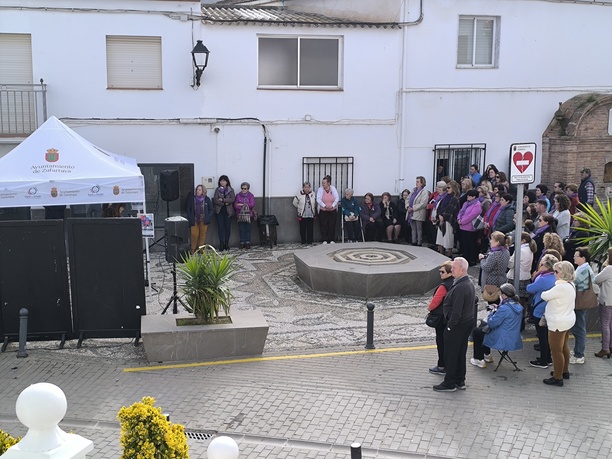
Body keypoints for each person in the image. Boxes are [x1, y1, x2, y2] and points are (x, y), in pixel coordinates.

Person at [433, 257, 475, 392]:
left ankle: (449, 383)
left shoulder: (461, 287)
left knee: (451, 354)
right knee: (460, 353)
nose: (452, 270)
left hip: (457, 326)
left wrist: (450, 327)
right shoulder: (467, 282)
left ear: (462, 269)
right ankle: (459, 380)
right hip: (465, 323)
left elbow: (456, 312)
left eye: (454, 268)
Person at [470, 283, 523, 368]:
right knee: (483, 331)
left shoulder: (504, 308)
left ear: (504, 295)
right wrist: (498, 307)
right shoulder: (517, 305)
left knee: (477, 332)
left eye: (500, 293)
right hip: (513, 337)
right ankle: (487, 355)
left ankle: (479, 359)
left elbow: (491, 324)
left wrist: (492, 312)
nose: (499, 294)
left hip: (502, 339)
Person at [541, 261, 576, 386]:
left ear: (564, 273)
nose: (554, 273)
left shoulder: (560, 287)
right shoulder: (570, 284)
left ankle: (557, 377)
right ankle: (564, 371)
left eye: (557, 271)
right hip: (567, 320)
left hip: (558, 323)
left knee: (556, 351)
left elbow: (544, 295)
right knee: (564, 347)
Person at [527, 254, 559, 369]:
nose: (540, 266)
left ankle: (543, 361)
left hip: (540, 310)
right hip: (550, 309)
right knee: (547, 335)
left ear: (547, 266)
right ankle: (548, 358)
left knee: (542, 337)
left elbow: (529, 288)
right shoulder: (554, 277)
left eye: (542, 264)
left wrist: (536, 274)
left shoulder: (543, 279)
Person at [428, 261, 454, 376]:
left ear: (450, 273)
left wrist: (429, 308)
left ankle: (441, 365)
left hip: (441, 318)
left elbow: (435, 302)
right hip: (451, 318)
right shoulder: (456, 283)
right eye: (440, 271)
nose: (440, 274)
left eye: (442, 272)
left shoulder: (443, 286)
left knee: (441, 341)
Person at [570, 247, 595, 364]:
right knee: (578, 327)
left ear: (583, 258)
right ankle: (577, 350)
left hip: (580, 302)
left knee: (579, 328)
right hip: (580, 301)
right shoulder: (583, 268)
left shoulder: (584, 270)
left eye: (576, 256)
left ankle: (579, 354)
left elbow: (573, 281)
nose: (574, 257)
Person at [479, 231, 511, 305]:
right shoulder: (506, 251)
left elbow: (486, 267)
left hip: (491, 283)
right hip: (502, 280)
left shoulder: (493, 254)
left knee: (492, 303)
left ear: (497, 242)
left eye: (492, 240)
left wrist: (482, 259)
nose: (490, 241)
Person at [507, 232, 536, 302]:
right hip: (526, 277)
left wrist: (509, 258)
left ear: (523, 240)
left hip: (516, 277)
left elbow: (510, 264)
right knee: (523, 300)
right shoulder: (530, 249)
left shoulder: (520, 250)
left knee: (514, 299)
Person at [594, 248, 612, 358]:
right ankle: (610, 346)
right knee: (611, 324)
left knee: (605, 324)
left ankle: (605, 348)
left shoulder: (609, 269)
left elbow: (596, 279)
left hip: (607, 300)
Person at [435, 180, 460, 258]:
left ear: (453, 188)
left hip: (449, 221)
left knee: (448, 237)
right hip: (441, 219)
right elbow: (440, 207)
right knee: (440, 237)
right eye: (447, 188)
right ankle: (441, 252)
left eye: (449, 188)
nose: (447, 189)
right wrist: (439, 215)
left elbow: (452, 210)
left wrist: (443, 216)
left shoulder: (455, 199)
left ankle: (449, 253)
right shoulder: (445, 197)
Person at [456, 189, 481, 266]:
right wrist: (459, 219)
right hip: (462, 227)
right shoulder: (465, 203)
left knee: (471, 244)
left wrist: (462, 221)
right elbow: (461, 212)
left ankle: (472, 259)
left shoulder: (477, 205)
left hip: (470, 228)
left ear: (474, 197)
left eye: (469, 196)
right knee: (464, 243)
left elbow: (471, 216)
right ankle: (465, 257)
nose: (468, 197)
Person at [186, 184, 213, 253]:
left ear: (203, 191)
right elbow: (188, 209)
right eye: (197, 189)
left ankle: (200, 249)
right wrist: (190, 216)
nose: (198, 191)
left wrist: (208, 217)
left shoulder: (207, 199)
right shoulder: (192, 199)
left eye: (199, 190)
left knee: (202, 235)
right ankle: (193, 249)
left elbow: (211, 209)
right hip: (194, 219)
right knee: (194, 235)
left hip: (203, 220)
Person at [213, 175, 235, 252]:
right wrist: (224, 203)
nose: (222, 182)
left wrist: (222, 200)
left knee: (227, 228)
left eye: (224, 181)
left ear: (227, 182)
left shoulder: (230, 190)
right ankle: (221, 243)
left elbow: (232, 199)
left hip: (228, 211)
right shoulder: (217, 190)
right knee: (220, 228)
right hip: (219, 211)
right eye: (221, 181)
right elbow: (215, 200)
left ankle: (227, 243)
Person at [406, 176, 429, 246]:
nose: (416, 183)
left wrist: (413, 208)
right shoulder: (413, 190)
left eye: (418, 182)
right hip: (411, 212)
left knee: (419, 228)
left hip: (418, 212)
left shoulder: (424, 192)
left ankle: (419, 242)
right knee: (413, 228)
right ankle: (413, 242)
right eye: (416, 181)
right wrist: (407, 206)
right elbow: (407, 199)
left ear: (422, 183)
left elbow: (423, 203)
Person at [316, 175, 339, 244]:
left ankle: (332, 239)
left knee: (332, 224)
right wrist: (324, 206)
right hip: (323, 210)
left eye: (324, 183)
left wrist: (332, 205)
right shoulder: (320, 189)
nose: (323, 184)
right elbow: (318, 199)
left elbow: (337, 198)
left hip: (332, 210)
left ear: (328, 183)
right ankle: (324, 239)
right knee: (323, 225)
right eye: (322, 183)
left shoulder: (333, 188)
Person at [293, 181, 317, 245]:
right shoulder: (299, 194)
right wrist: (300, 207)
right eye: (305, 187)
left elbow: (315, 202)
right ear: (303, 188)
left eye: (308, 187)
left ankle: (310, 241)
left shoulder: (313, 193)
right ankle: (303, 241)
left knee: (310, 228)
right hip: (302, 214)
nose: (307, 189)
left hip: (310, 213)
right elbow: (294, 202)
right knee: (302, 228)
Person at [234, 182, 256, 249]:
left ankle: (247, 242)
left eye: (245, 188)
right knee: (241, 229)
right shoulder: (238, 195)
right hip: (240, 215)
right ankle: (242, 242)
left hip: (248, 215)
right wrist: (245, 206)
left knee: (248, 229)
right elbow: (235, 205)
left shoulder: (250, 196)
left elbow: (252, 205)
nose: (243, 190)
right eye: (242, 188)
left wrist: (241, 204)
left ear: (248, 189)